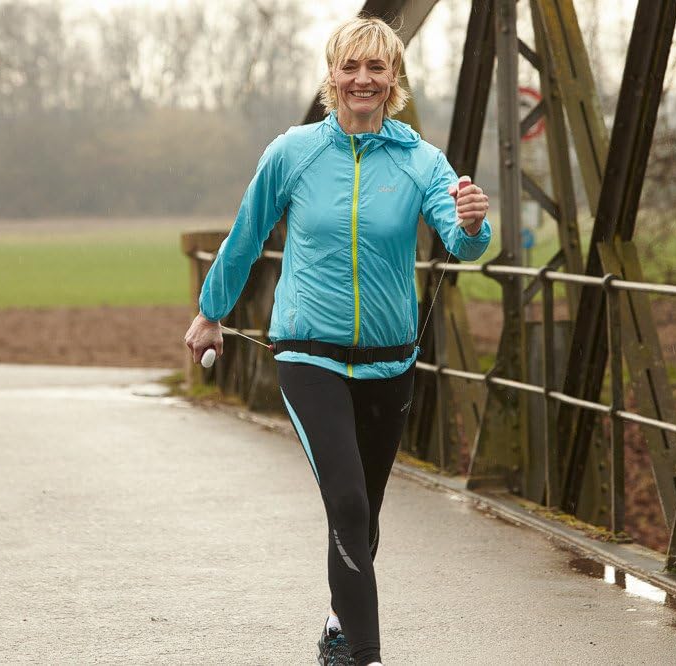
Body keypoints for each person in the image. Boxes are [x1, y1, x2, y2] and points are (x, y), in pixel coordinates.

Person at [184, 15, 491, 666]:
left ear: (393, 78)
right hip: (309, 354)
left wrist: (472, 225)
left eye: (376, 67)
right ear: (332, 75)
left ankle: (337, 627)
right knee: (347, 500)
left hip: (390, 361)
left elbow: (460, 244)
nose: (362, 79)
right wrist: (211, 312)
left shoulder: (420, 161)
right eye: (350, 66)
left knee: (365, 512)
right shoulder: (293, 153)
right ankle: (366, 656)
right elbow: (246, 235)